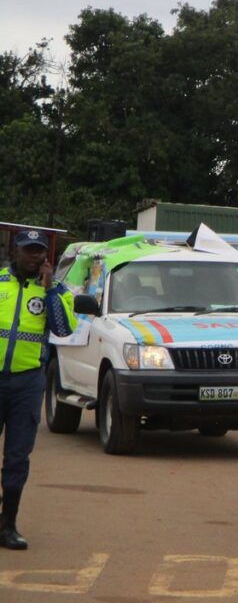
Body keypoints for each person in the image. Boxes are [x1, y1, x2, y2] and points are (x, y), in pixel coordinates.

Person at [1, 230, 77, 550]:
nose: (32, 257)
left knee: (17, 456)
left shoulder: (58, 291)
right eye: (27, 250)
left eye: (38, 252)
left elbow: (62, 328)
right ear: (14, 252)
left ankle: (8, 525)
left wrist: (49, 291)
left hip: (27, 383)